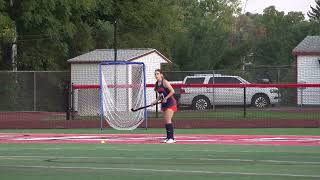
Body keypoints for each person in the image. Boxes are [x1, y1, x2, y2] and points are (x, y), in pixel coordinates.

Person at [152, 69, 177, 144]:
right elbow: (161, 95)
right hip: (165, 103)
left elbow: (172, 91)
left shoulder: (165, 82)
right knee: (166, 120)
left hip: (170, 102)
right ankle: (168, 137)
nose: (156, 75)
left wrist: (166, 98)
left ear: (161, 75)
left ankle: (171, 138)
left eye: (157, 73)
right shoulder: (157, 84)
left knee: (168, 119)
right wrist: (155, 101)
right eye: (155, 74)